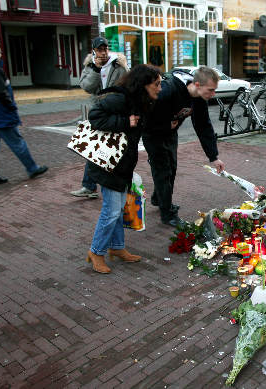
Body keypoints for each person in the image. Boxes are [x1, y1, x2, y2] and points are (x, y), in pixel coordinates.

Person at [85, 64, 162, 274]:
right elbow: (95, 116)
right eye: (156, 84)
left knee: (118, 210)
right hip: (107, 164)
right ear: (143, 84)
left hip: (122, 164)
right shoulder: (121, 99)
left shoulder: (142, 102)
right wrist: (124, 121)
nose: (159, 88)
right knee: (111, 211)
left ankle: (117, 248)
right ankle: (96, 252)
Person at [143, 66, 225, 227]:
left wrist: (213, 157)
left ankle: (159, 199)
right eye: (211, 90)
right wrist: (165, 125)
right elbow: (145, 114)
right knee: (163, 170)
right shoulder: (168, 90)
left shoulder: (199, 100)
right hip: (152, 134)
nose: (213, 94)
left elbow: (203, 126)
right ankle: (168, 215)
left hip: (170, 133)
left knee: (171, 168)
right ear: (197, 84)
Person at [0, 41, 48, 185]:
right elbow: (0, 92)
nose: (0, 54)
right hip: (1, 115)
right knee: (17, 142)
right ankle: (32, 168)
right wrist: (11, 106)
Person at [71, 37, 128, 199]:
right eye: (100, 49)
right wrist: (96, 69)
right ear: (94, 51)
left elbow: (127, 83)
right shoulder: (90, 66)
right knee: (93, 147)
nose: (103, 52)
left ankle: (117, 181)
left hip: (115, 110)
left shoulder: (118, 65)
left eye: (105, 49)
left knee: (116, 147)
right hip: (99, 112)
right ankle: (89, 185)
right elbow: (87, 87)